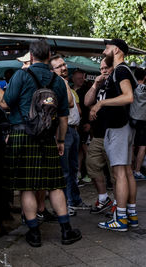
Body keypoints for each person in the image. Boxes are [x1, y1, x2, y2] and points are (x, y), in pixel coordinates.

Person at [0, 40, 81, 247]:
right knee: (56, 185)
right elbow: (63, 116)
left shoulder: (21, 75)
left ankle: (34, 233)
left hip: (22, 135)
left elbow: (5, 103)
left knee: (27, 187)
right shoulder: (58, 81)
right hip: (47, 136)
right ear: (49, 56)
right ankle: (66, 230)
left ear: (31, 56)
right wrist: (60, 140)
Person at [90, 38, 137, 231]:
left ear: (116, 50)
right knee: (126, 172)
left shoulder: (121, 70)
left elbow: (128, 97)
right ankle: (131, 215)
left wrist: (101, 103)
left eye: (107, 48)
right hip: (124, 126)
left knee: (119, 174)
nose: (104, 52)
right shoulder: (123, 70)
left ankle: (121, 218)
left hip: (119, 127)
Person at [50, 55, 90, 214]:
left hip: (74, 131)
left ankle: (75, 200)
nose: (63, 68)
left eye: (64, 64)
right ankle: (65, 206)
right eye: (59, 66)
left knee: (73, 169)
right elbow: (69, 103)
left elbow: (76, 109)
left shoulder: (67, 84)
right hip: (63, 132)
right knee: (65, 170)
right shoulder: (56, 85)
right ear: (53, 70)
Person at [84, 58, 115, 214]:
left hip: (114, 133)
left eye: (107, 67)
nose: (103, 70)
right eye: (101, 68)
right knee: (92, 165)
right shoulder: (100, 84)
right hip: (98, 134)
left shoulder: (117, 82)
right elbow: (87, 101)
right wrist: (95, 85)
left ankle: (119, 203)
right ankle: (103, 199)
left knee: (116, 172)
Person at [71, 69, 92, 183]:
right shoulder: (69, 88)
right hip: (75, 124)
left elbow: (90, 108)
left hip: (84, 124)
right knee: (78, 149)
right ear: (73, 79)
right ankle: (78, 172)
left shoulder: (86, 90)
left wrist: (89, 123)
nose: (81, 80)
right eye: (79, 78)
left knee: (85, 148)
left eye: (82, 78)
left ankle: (89, 173)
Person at [131, 68, 146, 180]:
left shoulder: (132, 87)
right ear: (145, 77)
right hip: (143, 120)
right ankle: (137, 171)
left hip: (132, 119)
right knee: (142, 146)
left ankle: (129, 169)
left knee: (131, 145)